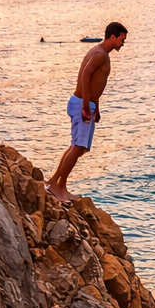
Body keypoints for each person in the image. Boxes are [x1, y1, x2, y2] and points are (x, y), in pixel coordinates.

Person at [45, 21, 127, 203]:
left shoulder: (101, 53)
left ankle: (58, 185)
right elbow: (85, 76)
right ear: (113, 37)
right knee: (78, 147)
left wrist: (95, 107)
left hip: (86, 103)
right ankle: (54, 187)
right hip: (82, 104)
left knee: (78, 147)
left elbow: (95, 84)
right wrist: (85, 105)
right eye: (122, 39)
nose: (123, 43)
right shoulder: (99, 54)